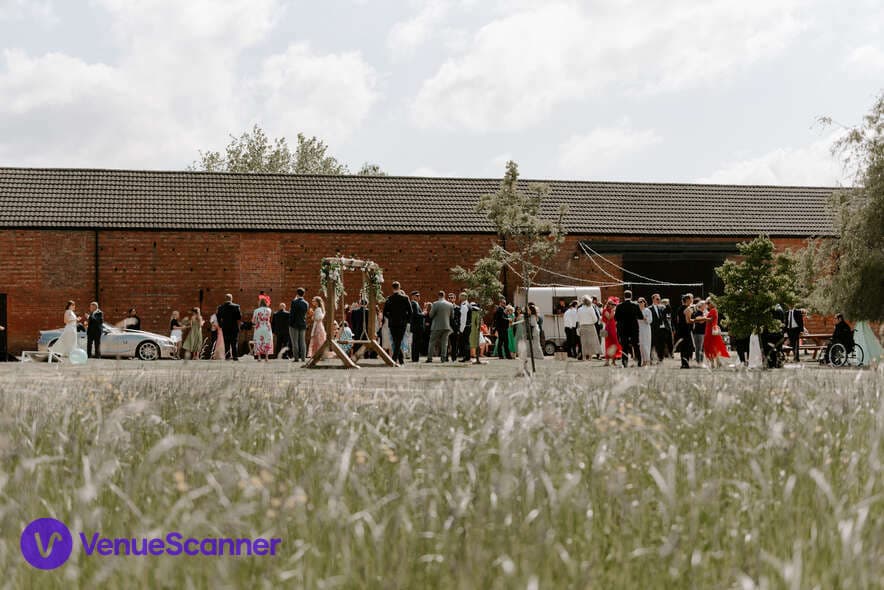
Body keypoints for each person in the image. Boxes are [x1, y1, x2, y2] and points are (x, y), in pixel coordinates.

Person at [383, 281, 412, 365]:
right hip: (402, 323)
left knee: (396, 341)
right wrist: (406, 320)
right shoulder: (405, 298)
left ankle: (396, 359)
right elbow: (410, 311)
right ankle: (395, 359)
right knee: (398, 341)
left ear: (392, 288)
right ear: (399, 288)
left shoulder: (389, 298)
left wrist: (390, 318)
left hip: (392, 323)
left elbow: (385, 312)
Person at [614, 291, 642, 367]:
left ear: (624, 296)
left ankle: (625, 362)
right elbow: (641, 316)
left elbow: (615, 318)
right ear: (631, 296)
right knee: (636, 346)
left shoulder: (619, 306)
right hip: (633, 329)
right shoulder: (635, 305)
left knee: (624, 347)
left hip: (623, 329)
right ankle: (639, 362)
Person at [427, 291, 454, 362]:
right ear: (444, 296)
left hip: (436, 326)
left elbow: (431, 315)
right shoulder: (450, 304)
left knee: (432, 342)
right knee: (444, 343)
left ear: (438, 296)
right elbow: (452, 316)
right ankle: (443, 358)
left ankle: (429, 358)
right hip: (446, 326)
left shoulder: (435, 304)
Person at [703, 299, 730, 367]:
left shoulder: (713, 310)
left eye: (708, 303)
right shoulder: (712, 310)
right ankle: (717, 362)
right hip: (711, 330)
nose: (707, 305)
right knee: (713, 347)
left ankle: (714, 363)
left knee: (710, 347)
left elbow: (711, 320)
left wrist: (703, 318)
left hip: (711, 331)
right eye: (707, 303)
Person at [216, 293, 242, 361]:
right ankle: (235, 357)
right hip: (234, 327)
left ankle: (227, 356)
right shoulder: (236, 306)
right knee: (234, 342)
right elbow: (239, 317)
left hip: (225, 327)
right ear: (231, 299)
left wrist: (220, 325)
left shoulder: (220, 307)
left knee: (226, 342)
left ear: (225, 299)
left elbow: (218, 317)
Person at [576, 295, 602, 360]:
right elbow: (595, 319)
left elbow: (578, 319)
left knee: (583, 342)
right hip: (590, 326)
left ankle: (584, 357)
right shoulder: (590, 308)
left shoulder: (579, 309)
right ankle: (590, 357)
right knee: (591, 342)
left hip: (582, 326)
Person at [674, 294, 695, 368]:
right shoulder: (687, 309)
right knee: (687, 347)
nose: (692, 301)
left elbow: (677, 320)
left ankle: (684, 363)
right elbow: (688, 321)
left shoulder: (679, 308)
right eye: (691, 299)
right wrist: (696, 320)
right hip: (686, 330)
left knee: (683, 348)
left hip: (681, 330)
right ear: (688, 300)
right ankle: (685, 363)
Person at [289, 288, 309, 362]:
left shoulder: (294, 302)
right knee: (302, 342)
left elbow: (292, 314)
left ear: (297, 294)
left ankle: (296, 358)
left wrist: (290, 323)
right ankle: (303, 358)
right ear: (304, 294)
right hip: (303, 323)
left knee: (295, 342)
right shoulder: (306, 303)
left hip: (294, 324)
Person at [252, 295, 273, 361]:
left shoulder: (256, 310)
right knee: (267, 341)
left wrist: (256, 322)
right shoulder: (269, 310)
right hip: (267, 327)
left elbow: (253, 320)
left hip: (259, 327)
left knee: (258, 341)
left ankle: (259, 357)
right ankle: (266, 357)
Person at [602, 298, 622, 366]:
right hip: (607, 329)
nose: (613, 306)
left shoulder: (613, 311)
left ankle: (613, 361)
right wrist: (613, 310)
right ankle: (607, 361)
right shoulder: (605, 310)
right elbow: (609, 317)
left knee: (615, 344)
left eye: (613, 305)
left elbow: (615, 320)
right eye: (611, 304)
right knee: (607, 344)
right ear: (608, 305)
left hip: (613, 329)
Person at [649, 294, 668, 363]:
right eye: (657, 299)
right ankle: (651, 359)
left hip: (662, 329)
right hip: (654, 330)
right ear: (653, 299)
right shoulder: (649, 308)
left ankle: (661, 359)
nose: (659, 300)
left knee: (661, 345)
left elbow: (665, 318)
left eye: (659, 299)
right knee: (653, 344)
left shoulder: (662, 308)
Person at [409, 291, 425, 362]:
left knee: (416, 342)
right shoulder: (414, 304)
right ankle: (415, 358)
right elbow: (416, 315)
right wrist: (423, 313)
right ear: (413, 296)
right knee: (416, 343)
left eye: (419, 295)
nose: (419, 297)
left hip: (416, 327)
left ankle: (415, 357)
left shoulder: (415, 303)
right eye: (417, 296)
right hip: (417, 327)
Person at [691, 300, 708, 365]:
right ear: (701, 306)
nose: (706, 306)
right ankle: (699, 362)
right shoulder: (697, 313)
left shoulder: (702, 313)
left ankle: (701, 361)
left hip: (702, 332)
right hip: (698, 333)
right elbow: (700, 321)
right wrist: (706, 317)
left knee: (701, 348)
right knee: (699, 348)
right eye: (704, 305)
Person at [638, 297, 652, 366]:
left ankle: (647, 360)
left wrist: (645, 318)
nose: (640, 303)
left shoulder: (648, 310)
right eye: (639, 302)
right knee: (641, 345)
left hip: (646, 329)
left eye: (642, 302)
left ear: (644, 302)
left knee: (646, 344)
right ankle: (643, 360)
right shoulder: (637, 311)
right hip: (639, 329)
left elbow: (650, 321)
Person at [458, 292, 472, 362]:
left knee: (465, 342)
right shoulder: (468, 304)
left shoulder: (464, 305)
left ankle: (465, 357)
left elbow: (463, 318)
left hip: (465, 326)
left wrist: (461, 329)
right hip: (468, 326)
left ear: (463, 297)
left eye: (460, 296)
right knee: (467, 342)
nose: (459, 297)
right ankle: (467, 357)